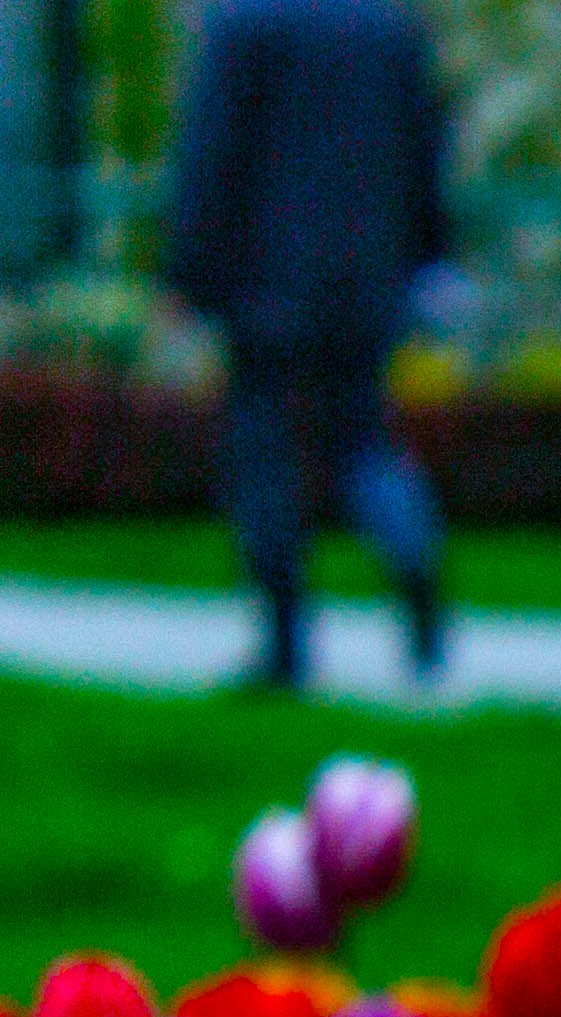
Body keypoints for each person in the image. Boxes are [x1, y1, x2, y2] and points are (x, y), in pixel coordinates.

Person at [162, 0, 454, 692]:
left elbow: (211, 153)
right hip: (369, 279)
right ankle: (413, 562)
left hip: (265, 282)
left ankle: (284, 641)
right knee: (364, 442)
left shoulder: (244, 26)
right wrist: (428, 259)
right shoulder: (390, 27)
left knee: (263, 453)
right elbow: (424, 150)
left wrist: (188, 274)